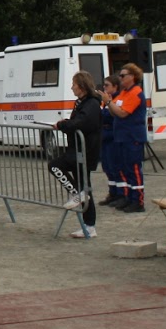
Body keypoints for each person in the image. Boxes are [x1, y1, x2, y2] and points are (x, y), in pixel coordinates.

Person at [49, 71, 101, 239]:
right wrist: (66, 124)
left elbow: (82, 123)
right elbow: (77, 121)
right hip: (77, 149)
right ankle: (89, 226)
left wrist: (64, 125)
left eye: (74, 84)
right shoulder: (82, 103)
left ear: (82, 86)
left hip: (85, 151)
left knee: (54, 165)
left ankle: (77, 195)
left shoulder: (91, 103)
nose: (72, 87)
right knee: (84, 186)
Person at [107, 63, 148, 211]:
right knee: (125, 168)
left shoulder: (136, 93)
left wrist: (108, 102)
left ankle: (138, 201)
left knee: (134, 169)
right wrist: (109, 103)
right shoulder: (124, 93)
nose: (120, 78)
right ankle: (129, 197)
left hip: (133, 137)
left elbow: (123, 113)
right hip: (122, 136)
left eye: (123, 75)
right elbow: (114, 111)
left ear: (132, 77)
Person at [99, 74, 120, 206]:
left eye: (107, 85)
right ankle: (112, 193)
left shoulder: (116, 100)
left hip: (112, 134)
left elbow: (111, 115)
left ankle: (119, 193)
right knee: (106, 166)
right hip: (104, 135)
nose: (104, 88)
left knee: (114, 166)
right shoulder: (105, 100)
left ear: (115, 86)